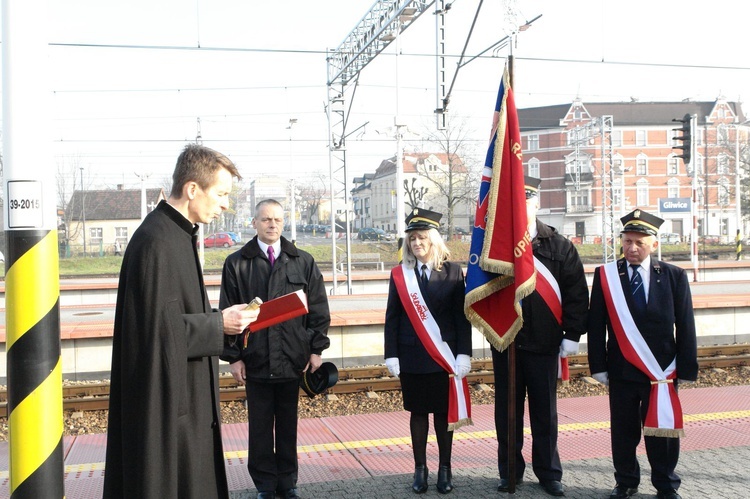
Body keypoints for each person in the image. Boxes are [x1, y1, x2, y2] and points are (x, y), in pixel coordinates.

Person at [104, 144, 260, 498]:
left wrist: (226, 323)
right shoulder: (156, 242)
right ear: (192, 189)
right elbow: (155, 333)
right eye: (220, 194)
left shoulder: (175, 233)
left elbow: (171, 320)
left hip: (181, 402)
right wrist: (219, 324)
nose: (225, 204)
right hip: (167, 410)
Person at [220, 199, 331, 499]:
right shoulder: (236, 263)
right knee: (259, 430)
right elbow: (227, 313)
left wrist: (316, 349)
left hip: (293, 360)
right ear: (254, 222)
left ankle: (288, 483)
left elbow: (318, 310)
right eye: (266, 219)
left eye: (278, 220)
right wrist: (233, 357)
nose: (272, 225)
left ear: (284, 223)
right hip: (255, 360)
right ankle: (265, 486)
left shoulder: (303, 261)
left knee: (287, 427)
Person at [588, 209, 698, 499]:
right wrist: (598, 366)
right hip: (622, 369)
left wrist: (687, 368)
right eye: (627, 242)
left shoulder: (674, 276)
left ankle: (665, 484)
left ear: (654, 244)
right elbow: (596, 325)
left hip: (661, 372)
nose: (632, 248)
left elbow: (686, 323)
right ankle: (625, 482)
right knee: (623, 432)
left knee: (662, 431)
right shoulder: (607, 276)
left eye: (639, 242)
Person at [492, 177, 589, 497]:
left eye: (526, 202)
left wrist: (572, 334)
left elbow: (577, 293)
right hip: (507, 342)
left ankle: (549, 473)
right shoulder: (497, 246)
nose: (521, 208)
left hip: (546, 343)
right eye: (515, 203)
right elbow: (481, 291)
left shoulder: (560, 246)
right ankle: (509, 472)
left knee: (545, 414)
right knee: (507, 413)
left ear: (537, 204)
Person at [384, 208, 473, 495]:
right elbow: (393, 317)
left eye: (421, 238)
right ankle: (420, 470)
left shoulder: (452, 271)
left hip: (442, 357)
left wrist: (463, 354)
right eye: (412, 239)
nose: (416, 243)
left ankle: (445, 470)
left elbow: (461, 318)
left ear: (433, 240)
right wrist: (392, 354)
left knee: (443, 416)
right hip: (411, 357)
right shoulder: (401, 275)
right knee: (418, 414)